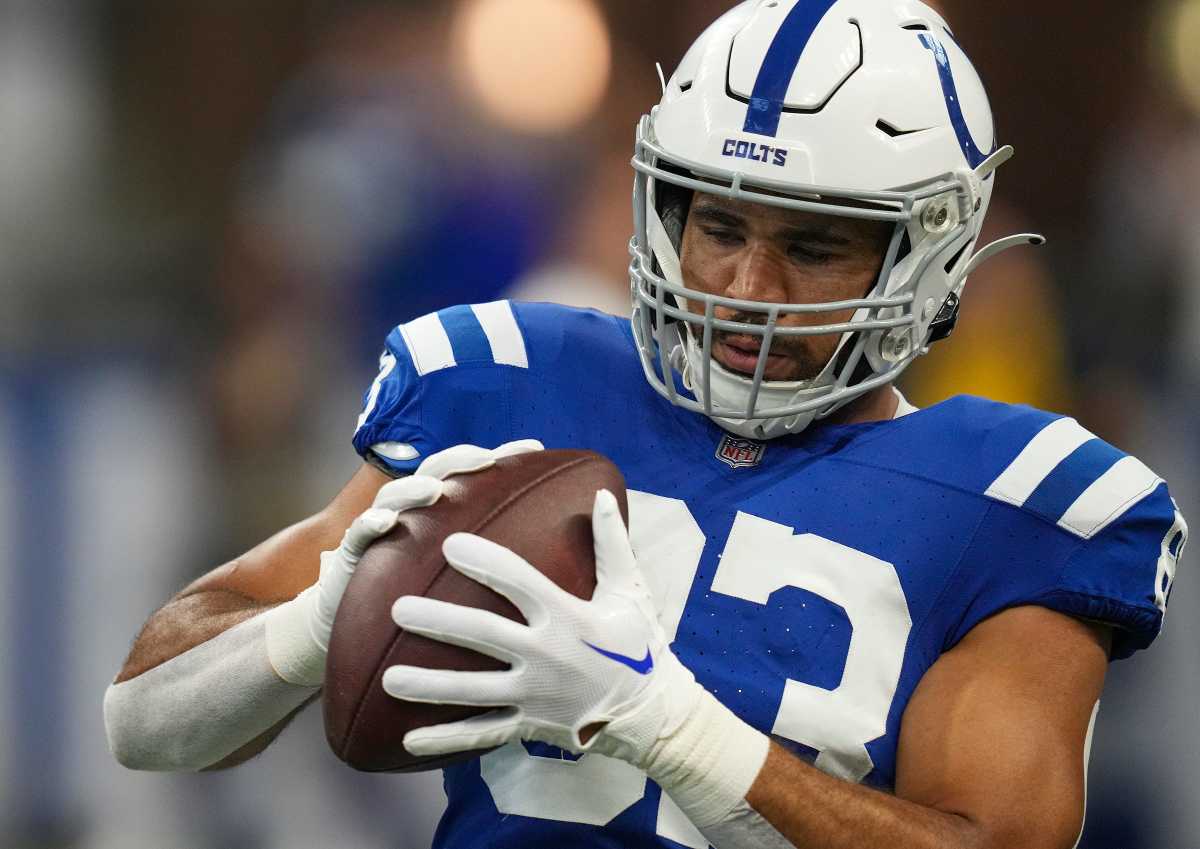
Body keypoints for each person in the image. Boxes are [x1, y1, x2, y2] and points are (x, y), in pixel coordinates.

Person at [104, 2, 1188, 848]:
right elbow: (142, 725)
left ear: (933, 255)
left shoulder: (1010, 504)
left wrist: (670, 727)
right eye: (717, 225)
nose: (747, 287)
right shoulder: (519, 386)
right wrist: (300, 635)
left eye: (814, 248)